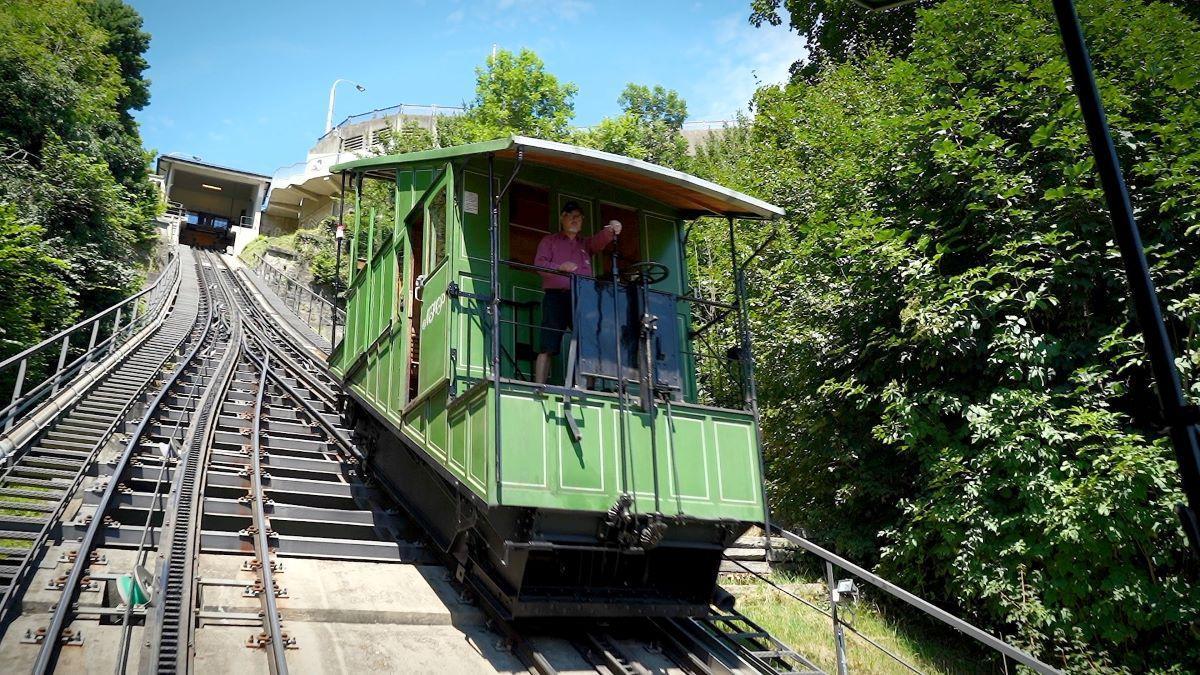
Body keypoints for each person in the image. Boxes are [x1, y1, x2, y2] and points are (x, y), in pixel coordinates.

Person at [533, 201, 622, 384]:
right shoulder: (549, 241)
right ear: (562, 218)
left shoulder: (585, 244)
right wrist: (560, 268)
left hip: (582, 298)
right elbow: (539, 265)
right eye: (571, 216)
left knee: (588, 342)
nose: (575, 220)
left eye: (579, 217)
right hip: (556, 296)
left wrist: (612, 226)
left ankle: (586, 390)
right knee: (548, 344)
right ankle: (538, 386)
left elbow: (601, 239)